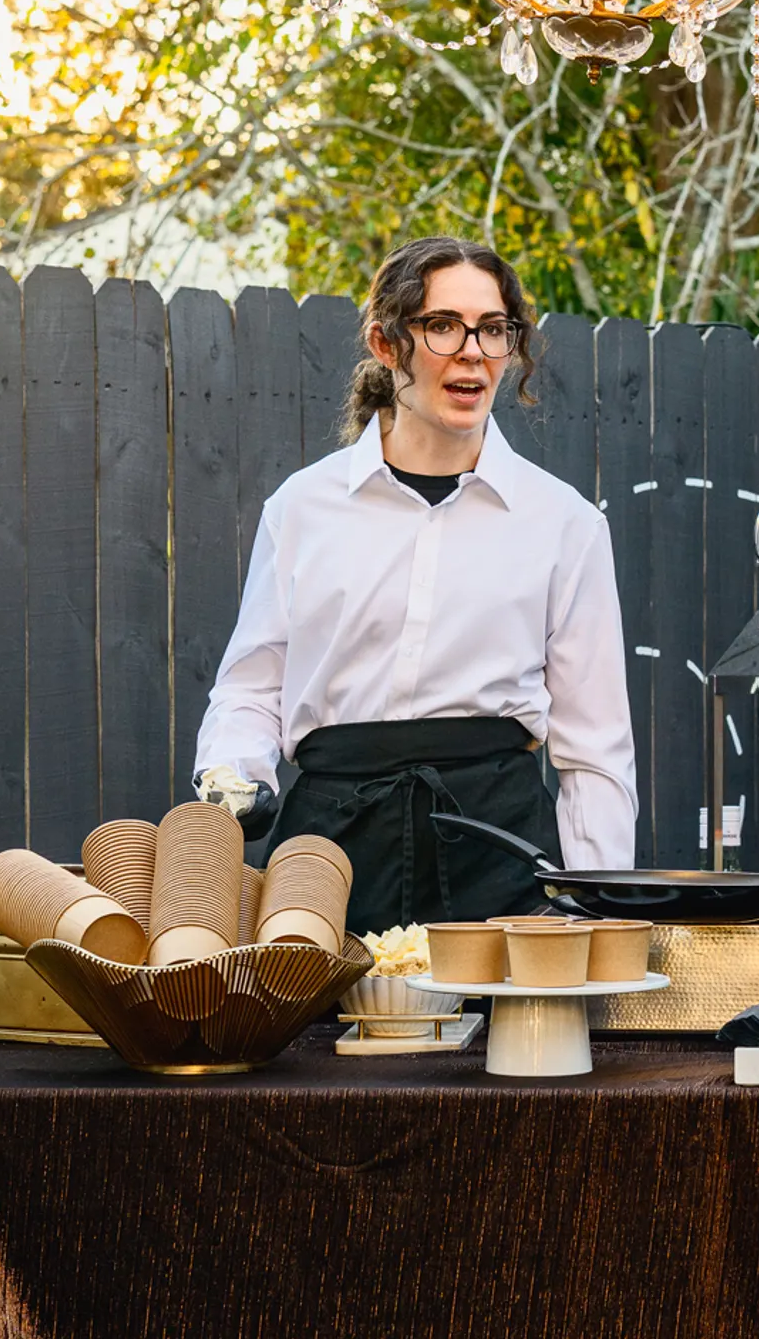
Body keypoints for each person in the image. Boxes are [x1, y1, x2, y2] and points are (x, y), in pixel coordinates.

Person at [193, 236, 636, 930]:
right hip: (327, 862)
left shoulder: (564, 523)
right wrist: (230, 775)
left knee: (501, 1043)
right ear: (385, 342)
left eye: (493, 330)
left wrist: (596, 909)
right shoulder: (303, 508)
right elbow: (253, 689)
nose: (473, 351)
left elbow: (596, 747)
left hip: (501, 858)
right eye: (442, 325)